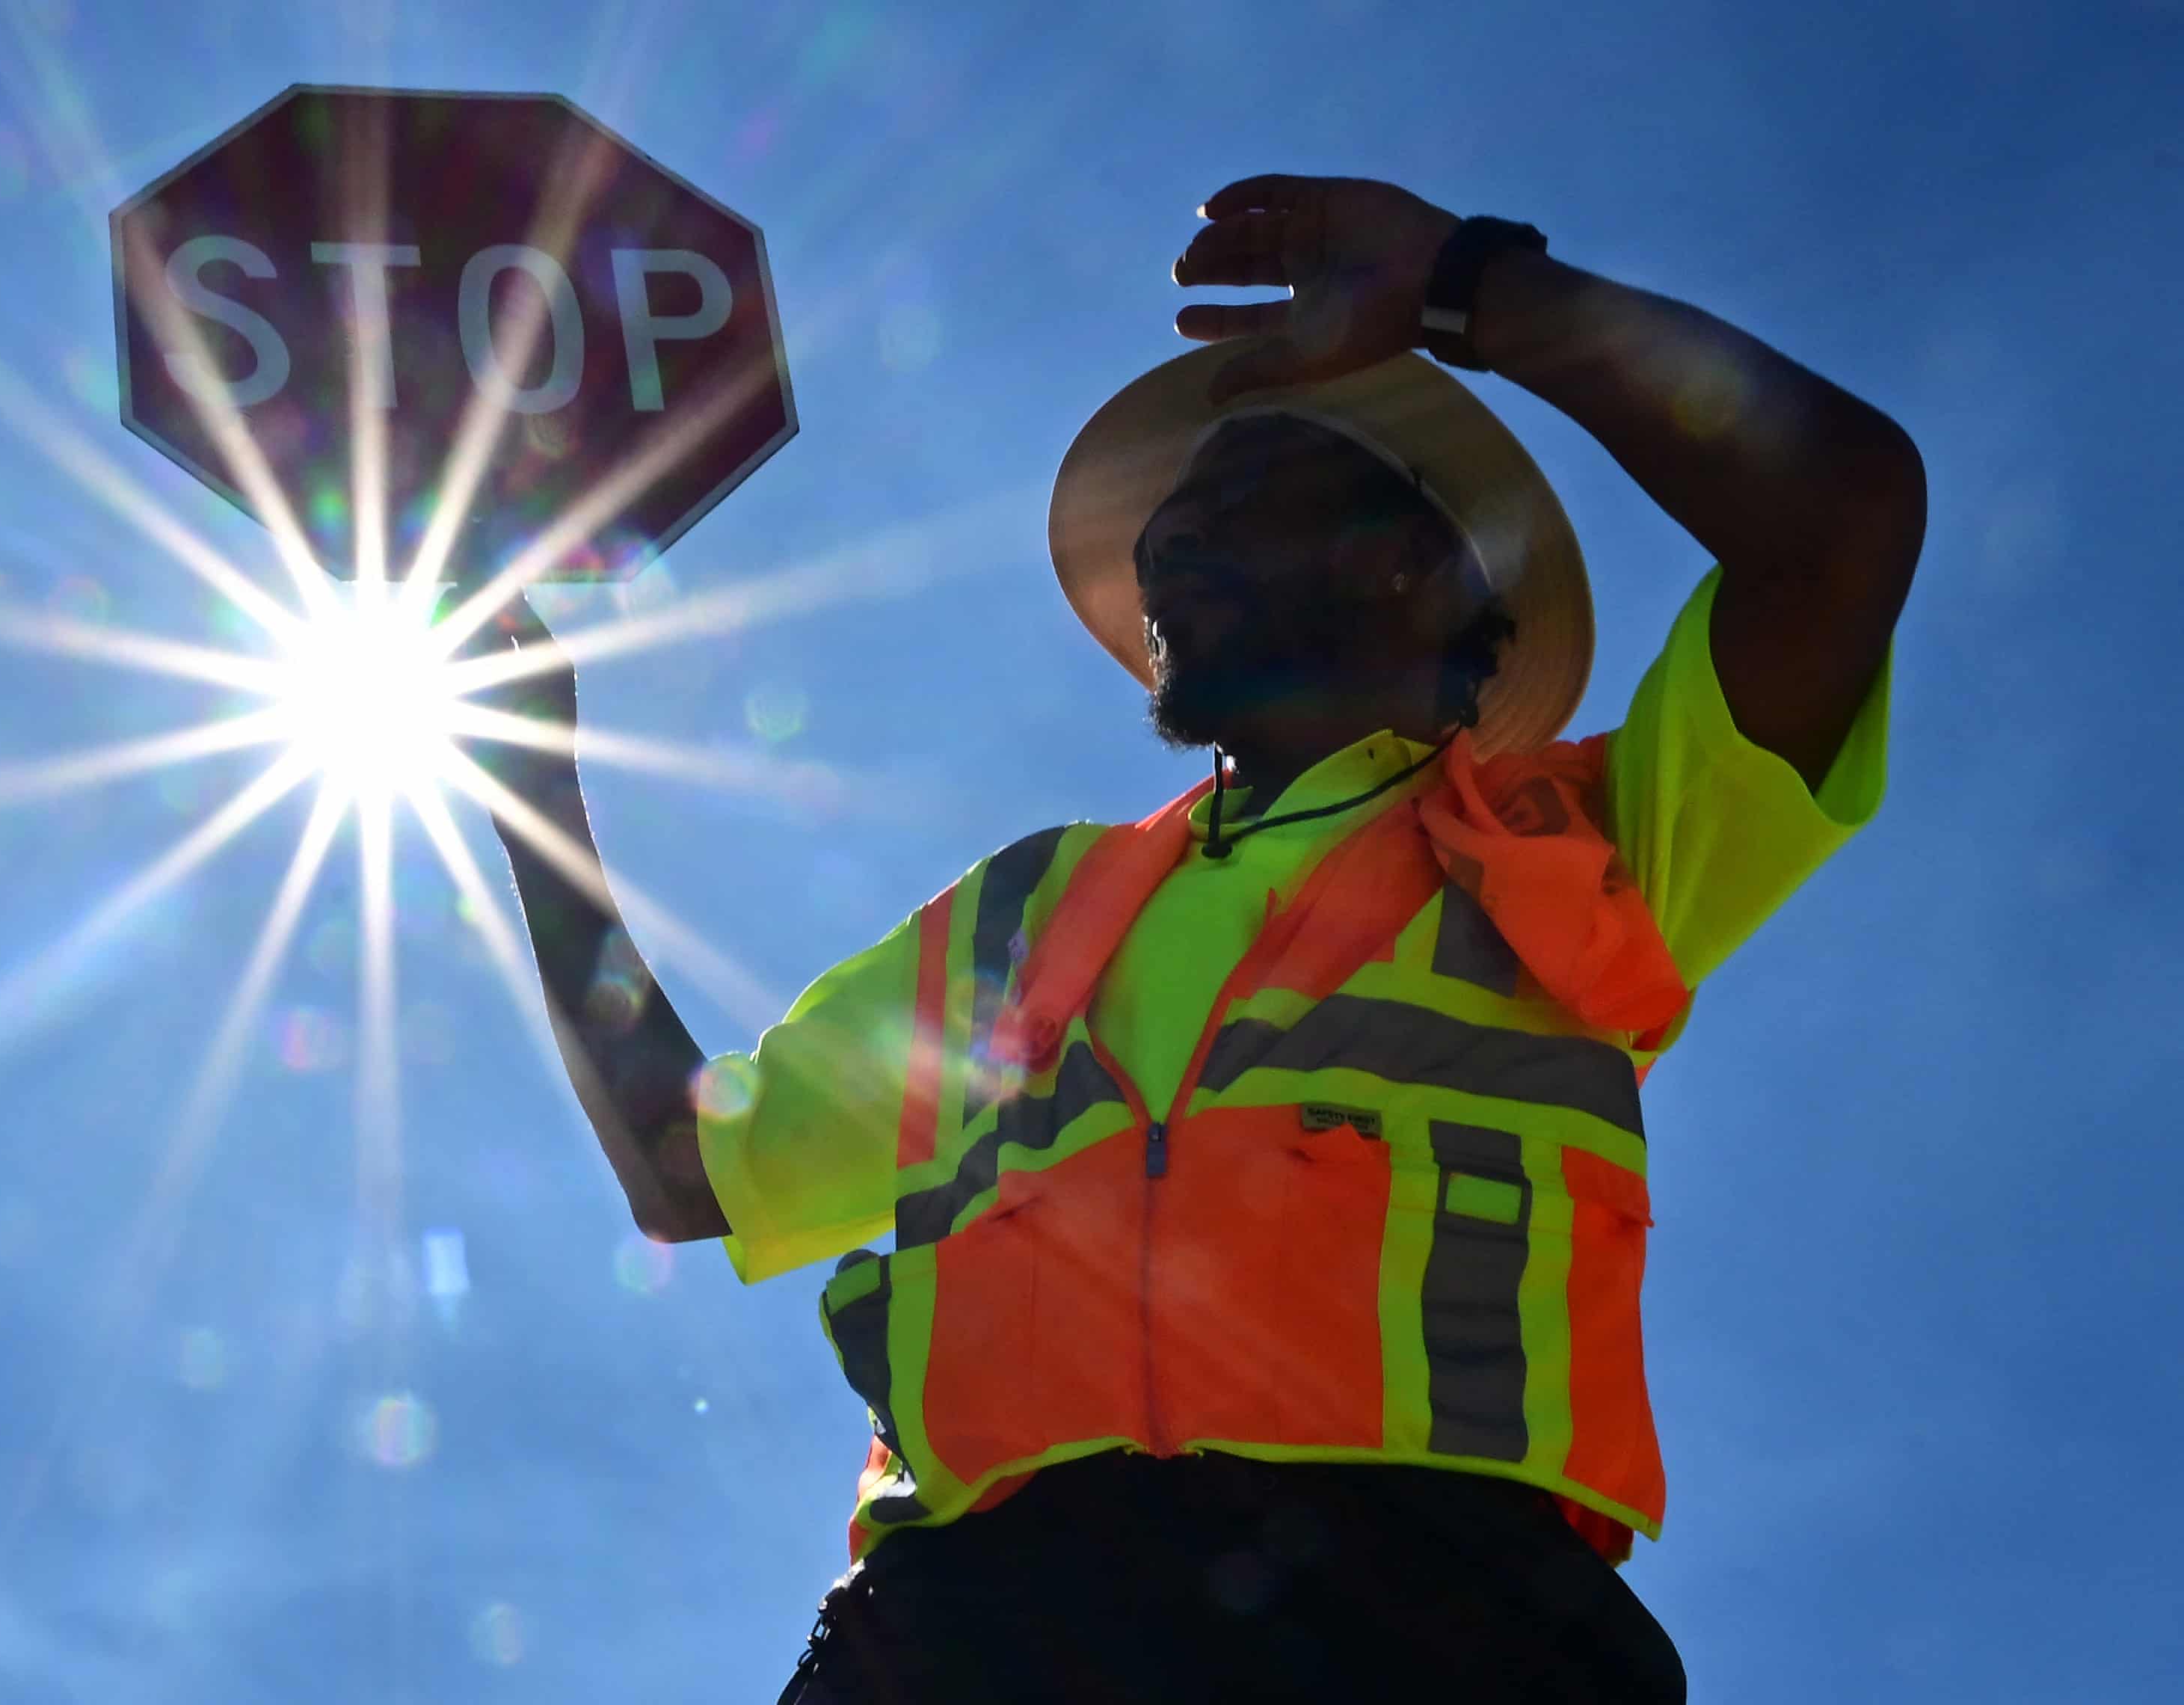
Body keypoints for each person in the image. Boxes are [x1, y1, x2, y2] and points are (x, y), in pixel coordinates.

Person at [472, 175, 1922, 1703]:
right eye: (1171, 521)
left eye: (1234, 494)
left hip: (1437, 1628)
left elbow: (1836, 515)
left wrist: (1462, 285)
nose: (1164, 544)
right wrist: (534, 799)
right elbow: (688, 1169)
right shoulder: (1020, 911)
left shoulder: (1592, 840)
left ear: (1415, 564)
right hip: (963, 1636)